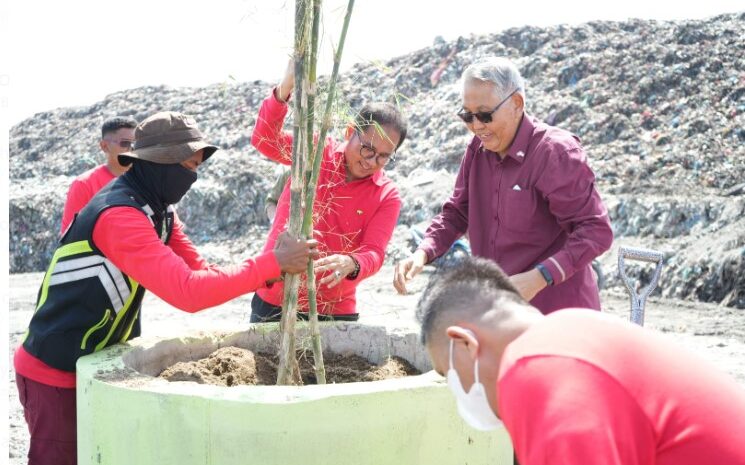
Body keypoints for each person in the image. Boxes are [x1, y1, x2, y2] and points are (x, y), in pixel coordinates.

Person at [14, 111, 318, 465]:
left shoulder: (158, 213)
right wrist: (273, 263)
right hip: (54, 371)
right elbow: (188, 291)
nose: (192, 176)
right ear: (160, 163)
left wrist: (274, 268)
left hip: (89, 361)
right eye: (188, 165)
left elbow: (202, 271)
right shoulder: (119, 215)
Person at [416, 256, 745, 465]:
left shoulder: (538, 365)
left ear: (464, 343)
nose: (456, 391)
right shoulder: (574, 333)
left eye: (448, 374)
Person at [394, 57, 613, 314]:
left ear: (516, 103)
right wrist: (422, 253)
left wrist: (540, 277)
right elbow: (457, 213)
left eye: (485, 115)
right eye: (467, 115)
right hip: (499, 312)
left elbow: (595, 230)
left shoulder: (555, 153)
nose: (476, 126)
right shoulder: (477, 150)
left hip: (557, 315)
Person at [249, 62, 408, 322]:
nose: (371, 161)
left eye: (383, 157)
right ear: (350, 133)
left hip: (334, 308)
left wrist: (352, 263)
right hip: (277, 294)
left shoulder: (387, 195)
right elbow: (264, 139)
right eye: (367, 149)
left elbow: (374, 252)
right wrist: (285, 88)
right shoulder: (314, 151)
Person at [60, 116, 138, 234]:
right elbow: (69, 235)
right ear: (104, 146)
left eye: (136, 143)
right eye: (125, 143)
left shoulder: (146, 179)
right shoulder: (84, 185)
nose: (132, 148)